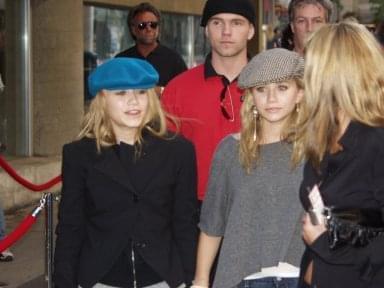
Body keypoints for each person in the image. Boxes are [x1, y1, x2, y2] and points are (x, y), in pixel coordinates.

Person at [53, 58, 198, 288]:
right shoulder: (78, 155)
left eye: (141, 92)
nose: (133, 101)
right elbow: (71, 226)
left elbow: (185, 223)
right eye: (120, 93)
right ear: (101, 99)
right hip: (100, 278)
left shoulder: (179, 150)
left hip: (163, 277)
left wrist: (193, 280)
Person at [192, 48, 305, 288]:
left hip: (301, 275)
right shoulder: (230, 150)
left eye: (282, 88)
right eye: (262, 90)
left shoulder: (317, 149)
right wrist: (201, 281)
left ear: (300, 94)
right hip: (242, 278)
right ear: (251, 96)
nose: (271, 99)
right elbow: (213, 222)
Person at [298, 21, 384, 288]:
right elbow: (319, 208)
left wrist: (326, 244)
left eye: (309, 67)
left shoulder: (376, 142)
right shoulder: (321, 137)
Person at [162, 0, 256, 203]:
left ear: (251, 31)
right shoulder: (177, 89)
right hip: (195, 205)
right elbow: (164, 160)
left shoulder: (271, 88)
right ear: (206, 30)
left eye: (237, 23)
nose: (226, 31)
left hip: (261, 204)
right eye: (217, 23)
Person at [115, 2, 187, 93]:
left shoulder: (174, 60)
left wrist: (161, 90)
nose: (149, 29)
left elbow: (185, 92)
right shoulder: (121, 61)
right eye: (142, 25)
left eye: (153, 25)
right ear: (133, 29)